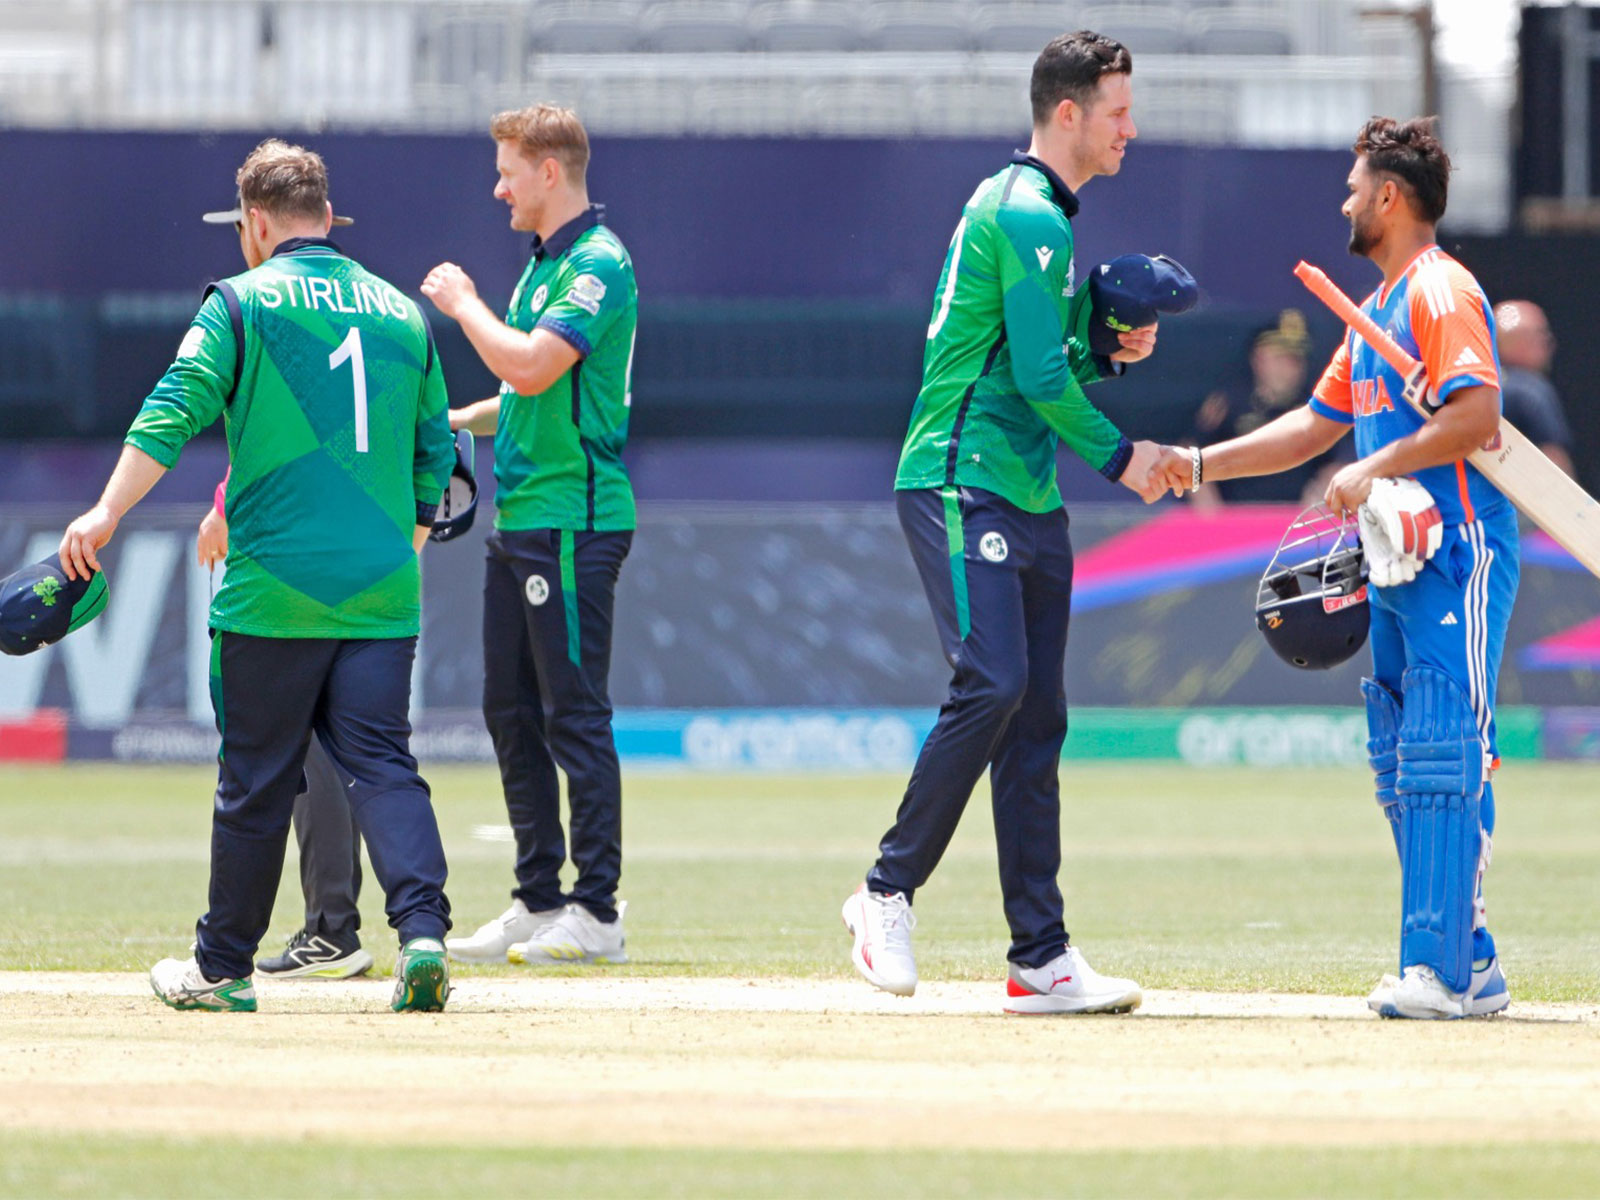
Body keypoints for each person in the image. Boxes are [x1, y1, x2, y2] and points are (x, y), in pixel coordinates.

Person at [60, 138, 457, 1013]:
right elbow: (437, 455)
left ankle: (222, 968)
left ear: (256, 221)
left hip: (275, 591)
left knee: (254, 779)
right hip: (384, 592)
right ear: (328, 217)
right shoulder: (401, 313)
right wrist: (408, 547)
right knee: (385, 767)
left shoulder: (239, 304)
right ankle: (423, 935)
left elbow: (175, 406)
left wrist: (106, 510)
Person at [1158, 116, 1517, 1019]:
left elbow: (1477, 418)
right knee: (1402, 752)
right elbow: (1311, 431)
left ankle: (1435, 970)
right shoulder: (1374, 316)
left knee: (1442, 746)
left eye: (1356, 188)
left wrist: (1372, 466)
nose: (1346, 202)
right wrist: (1198, 464)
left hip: (1457, 550)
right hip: (1395, 559)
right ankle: (1467, 964)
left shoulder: (1439, 290)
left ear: (1390, 197)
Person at [841, 30, 1168, 1015]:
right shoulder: (1028, 211)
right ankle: (882, 892)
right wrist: (1126, 455)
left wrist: (1105, 353)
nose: (1130, 128)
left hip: (1021, 488)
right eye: (1116, 111)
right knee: (994, 681)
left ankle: (1041, 957)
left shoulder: (1036, 215)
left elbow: (1045, 361)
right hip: (958, 477)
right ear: (1066, 112)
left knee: (1036, 719)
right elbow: (1029, 378)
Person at [422, 104, 637, 966]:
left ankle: (598, 912)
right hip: (526, 523)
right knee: (509, 711)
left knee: (573, 715)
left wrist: (464, 304)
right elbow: (519, 394)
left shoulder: (596, 264)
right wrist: (449, 419)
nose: (498, 185)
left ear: (551, 170)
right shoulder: (545, 267)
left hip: (575, 522)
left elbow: (532, 364)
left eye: (510, 168)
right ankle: (539, 896)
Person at [197, 488, 372, 980]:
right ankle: (339, 926)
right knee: (333, 743)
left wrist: (223, 505)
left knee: (305, 745)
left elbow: (281, 432)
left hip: (300, 555)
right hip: (360, 551)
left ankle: (331, 927)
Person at [1187, 309, 1349, 506]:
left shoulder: (1315, 407)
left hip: (1296, 521)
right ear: (1258, 359)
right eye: (1279, 358)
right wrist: (1211, 513)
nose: (1288, 368)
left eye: (1295, 360)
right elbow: (1191, 454)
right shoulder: (1229, 403)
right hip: (1236, 519)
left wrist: (1322, 493)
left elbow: (1331, 465)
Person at [1493, 300, 1576, 478]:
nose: (1548, 344)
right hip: (1520, 500)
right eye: (1542, 335)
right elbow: (1553, 458)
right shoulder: (1531, 390)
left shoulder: (1478, 386)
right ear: (1522, 340)